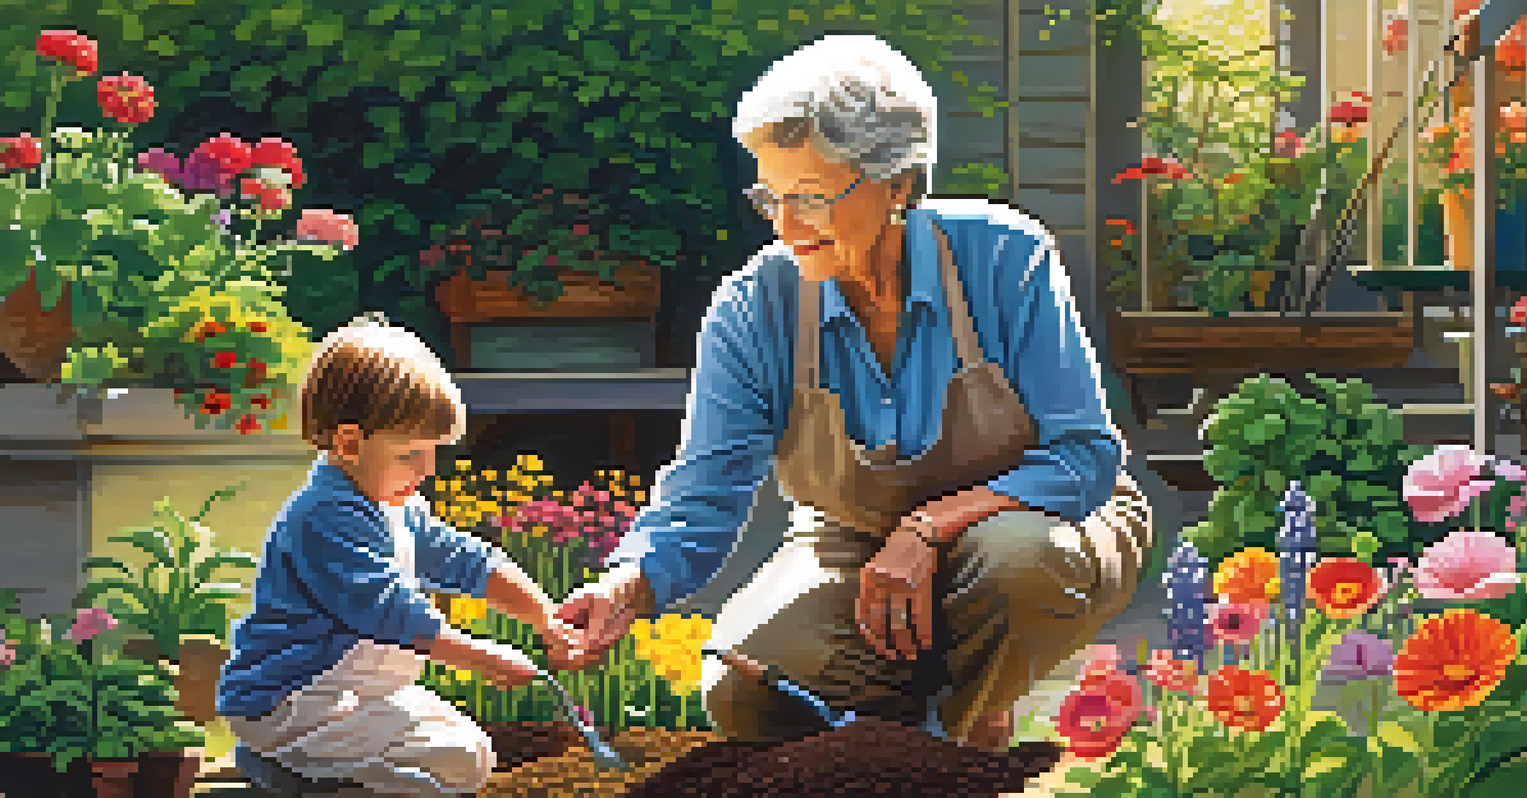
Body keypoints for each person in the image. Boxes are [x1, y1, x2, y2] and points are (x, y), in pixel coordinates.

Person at [555, 33, 1154, 752]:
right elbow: (705, 492)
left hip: (1035, 518)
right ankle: (938, 706)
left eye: (808, 197)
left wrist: (927, 528)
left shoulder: (1004, 256)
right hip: (852, 541)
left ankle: (963, 742)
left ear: (898, 183)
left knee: (1017, 567)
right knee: (745, 686)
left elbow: (1084, 457)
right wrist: (627, 583)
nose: (783, 226)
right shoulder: (756, 306)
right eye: (768, 196)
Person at [216, 314, 581, 795]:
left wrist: (543, 617)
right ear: (348, 443)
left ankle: (299, 768)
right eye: (410, 453)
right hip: (291, 701)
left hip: (352, 697)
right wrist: (483, 657)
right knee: (449, 764)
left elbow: (468, 561)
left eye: (432, 452)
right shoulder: (325, 516)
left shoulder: (396, 506)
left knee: (468, 753)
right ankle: (285, 769)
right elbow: (387, 611)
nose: (426, 469)